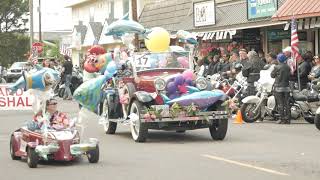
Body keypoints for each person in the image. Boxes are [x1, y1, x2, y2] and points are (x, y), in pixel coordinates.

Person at [271, 53, 291, 124]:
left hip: (278, 87)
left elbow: (272, 75)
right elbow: (290, 75)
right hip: (287, 87)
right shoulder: (288, 67)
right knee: (287, 103)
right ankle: (288, 119)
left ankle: (282, 119)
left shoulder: (277, 67)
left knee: (280, 103)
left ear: (278, 59)